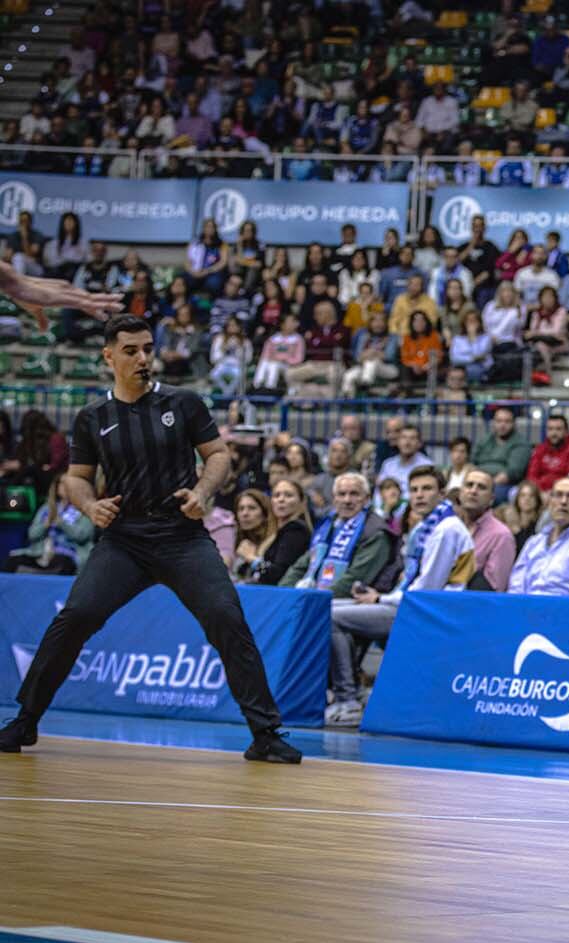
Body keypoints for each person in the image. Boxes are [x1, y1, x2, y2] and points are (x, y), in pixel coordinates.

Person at [1, 315, 300, 762]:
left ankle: (266, 734)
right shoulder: (92, 417)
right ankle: (25, 721)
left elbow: (217, 455)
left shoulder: (184, 402)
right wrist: (90, 506)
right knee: (77, 615)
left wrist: (202, 492)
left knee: (226, 616)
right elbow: (76, 478)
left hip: (182, 535)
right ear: (108, 357)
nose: (142, 358)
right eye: (130, 351)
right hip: (124, 540)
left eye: (147, 349)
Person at [327, 465, 474, 724]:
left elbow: (426, 590)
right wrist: (379, 595)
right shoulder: (427, 526)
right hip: (408, 604)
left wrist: (380, 599)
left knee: (332, 617)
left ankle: (347, 700)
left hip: (428, 613)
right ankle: (355, 691)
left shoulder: (446, 529)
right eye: (414, 490)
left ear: (442, 494)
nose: (419, 495)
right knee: (333, 606)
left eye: (427, 489)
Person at [282, 473, 392, 598]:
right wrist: (283, 593)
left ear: (367, 499)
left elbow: (354, 580)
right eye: (341, 494)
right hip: (317, 597)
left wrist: (314, 600)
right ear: (334, 500)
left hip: (350, 600)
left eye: (354, 494)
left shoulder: (375, 531)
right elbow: (300, 567)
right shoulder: (328, 526)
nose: (347, 500)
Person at [3, 475, 92, 575]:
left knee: (62, 563)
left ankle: (36, 575)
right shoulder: (46, 508)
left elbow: (83, 536)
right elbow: (32, 534)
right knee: (13, 561)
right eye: (62, 484)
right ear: (56, 487)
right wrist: (45, 525)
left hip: (69, 553)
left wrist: (62, 524)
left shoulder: (83, 509)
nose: (65, 487)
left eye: (69, 484)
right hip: (40, 552)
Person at [456, 468, 515, 591]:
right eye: (469, 485)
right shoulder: (447, 528)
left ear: (491, 499)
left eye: (481, 487)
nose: (473, 491)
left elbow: (493, 590)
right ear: (460, 493)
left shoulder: (501, 535)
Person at [526, 414, 569, 493]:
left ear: (566, 432)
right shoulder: (540, 448)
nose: (554, 433)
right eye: (550, 429)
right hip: (539, 492)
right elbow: (531, 475)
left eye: (558, 429)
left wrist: (552, 492)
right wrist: (539, 492)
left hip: (563, 492)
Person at [376, 424, 435, 496]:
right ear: (397, 442)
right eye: (403, 437)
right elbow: (378, 493)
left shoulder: (427, 466)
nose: (407, 442)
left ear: (419, 444)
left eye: (412, 438)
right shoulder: (388, 465)